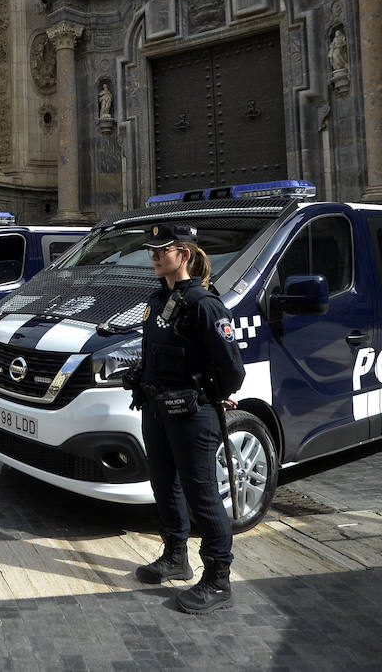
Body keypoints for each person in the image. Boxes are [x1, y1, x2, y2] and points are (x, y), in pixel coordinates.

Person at [127, 222, 245, 614]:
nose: (155, 255)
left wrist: (212, 394)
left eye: (163, 249)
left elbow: (232, 369)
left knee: (202, 494)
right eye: (153, 249)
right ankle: (176, 556)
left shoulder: (205, 304)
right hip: (157, 408)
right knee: (164, 483)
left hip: (193, 413)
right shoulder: (157, 299)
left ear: (186, 254)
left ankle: (217, 579)